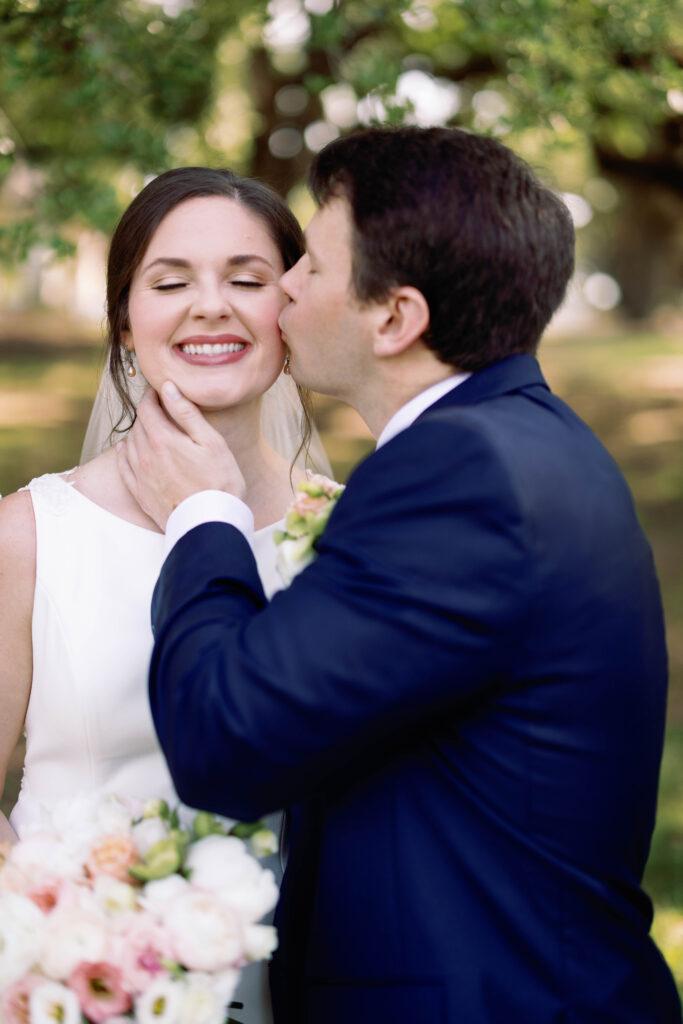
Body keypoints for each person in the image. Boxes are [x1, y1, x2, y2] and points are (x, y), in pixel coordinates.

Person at [119, 127, 680, 1023]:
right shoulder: (527, 443)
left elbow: (227, 738)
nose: (285, 287)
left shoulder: (459, 478)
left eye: (310, 266)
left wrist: (204, 514)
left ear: (394, 316)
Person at [0, 166, 330, 1024]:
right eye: (171, 281)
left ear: (290, 313)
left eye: (248, 281)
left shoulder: (345, 538)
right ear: (123, 320)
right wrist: (58, 949)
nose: (210, 305)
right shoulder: (28, 532)